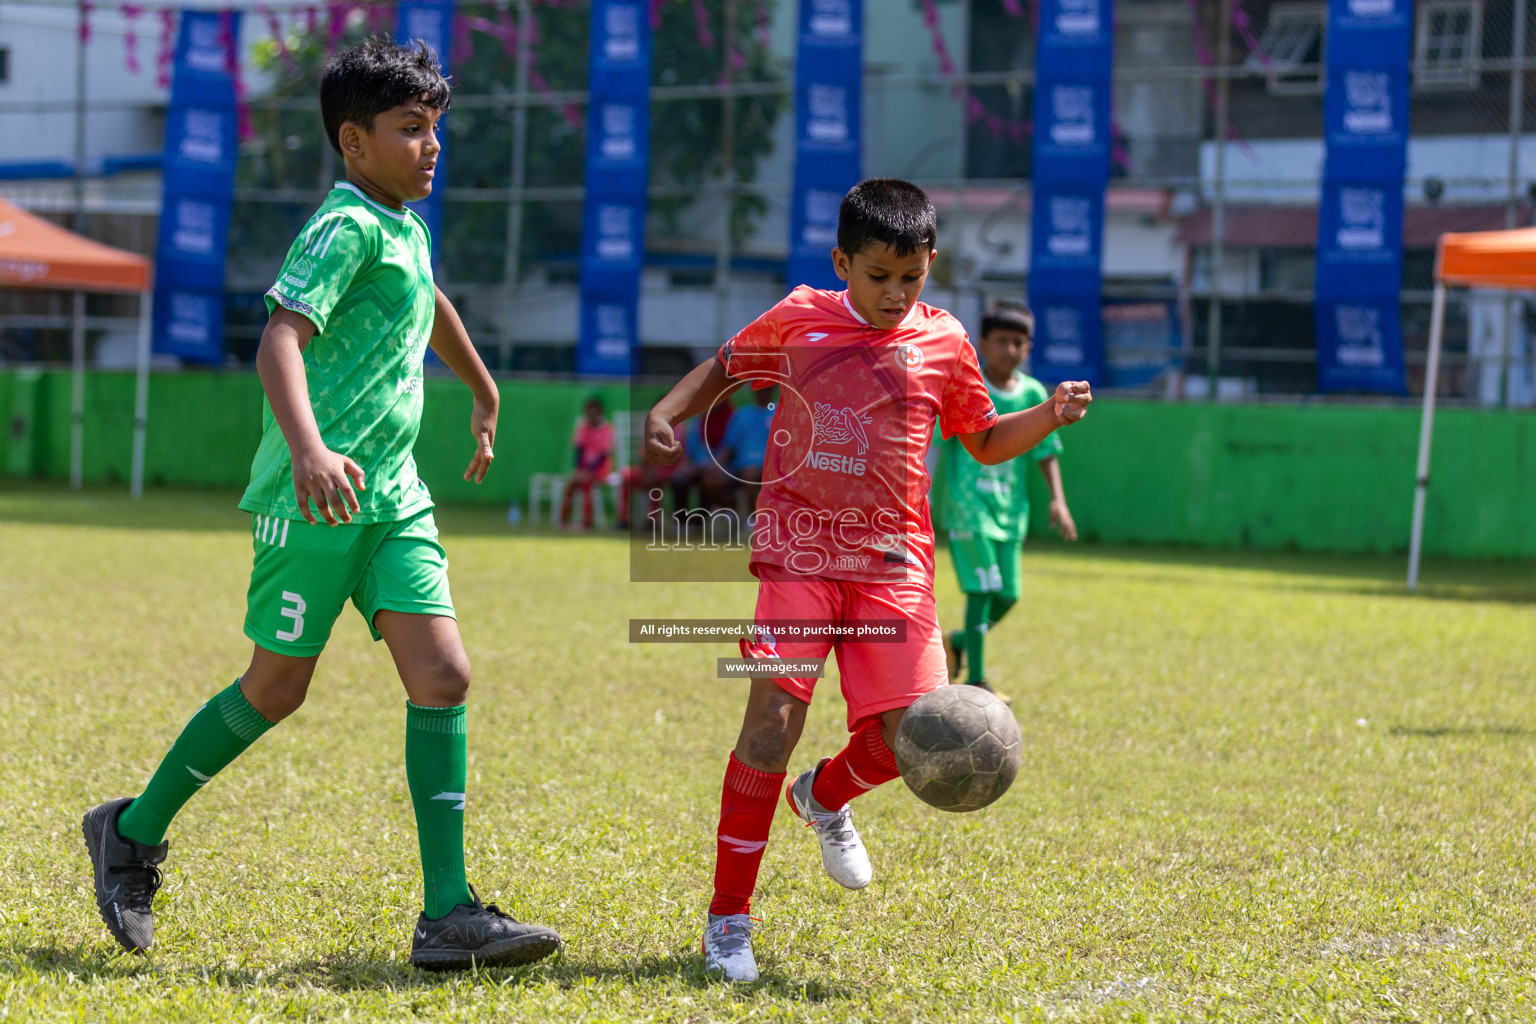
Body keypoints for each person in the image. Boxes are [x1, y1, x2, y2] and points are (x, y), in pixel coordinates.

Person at [80, 37, 561, 971]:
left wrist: (482, 386)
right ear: (354, 142)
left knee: (444, 676)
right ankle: (130, 832)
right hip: (313, 502)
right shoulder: (342, 224)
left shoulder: (406, 228)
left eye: (436, 130)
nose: (431, 147)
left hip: (394, 503)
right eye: (410, 130)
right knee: (276, 688)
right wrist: (308, 448)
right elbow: (279, 340)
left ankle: (447, 914)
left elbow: (431, 301)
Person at [642, 178, 1092, 982]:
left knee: (903, 740)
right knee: (769, 725)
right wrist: (669, 412)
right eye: (878, 275)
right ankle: (727, 921)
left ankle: (823, 795)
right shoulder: (800, 318)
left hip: (895, 569)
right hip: (799, 555)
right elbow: (726, 365)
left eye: (911, 277)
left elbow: (983, 441)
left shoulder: (947, 342)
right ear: (842, 261)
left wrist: (1048, 416)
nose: (894, 292)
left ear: (931, 265)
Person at [940, 301, 1078, 706]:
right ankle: (978, 681)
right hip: (970, 507)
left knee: (1009, 593)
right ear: (983, 343)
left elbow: (1046, 450)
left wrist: (1058, 500)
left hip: (1011, 512)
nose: (1010, 350)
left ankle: (958, 642)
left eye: (1018, 342)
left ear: (1029, 347)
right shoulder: (967, 387)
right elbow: (938, 442)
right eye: (1001, 341)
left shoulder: (1035, 393)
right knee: (982, 591)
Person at [560, 395, 615, 531]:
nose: (591, 414)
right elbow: (579, 450)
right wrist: (578, 470)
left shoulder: (607, 429)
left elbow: (603, 455)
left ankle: (587, 521)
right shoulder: (583, 427)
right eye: (588, 411)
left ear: (600, 412)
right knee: (571, 483)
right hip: (584, 469)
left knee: (586, 482)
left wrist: (589, 471)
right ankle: (564, 520)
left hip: (600, 469)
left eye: (594, 410)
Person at [717, 384, 776, 510]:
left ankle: (752, 516)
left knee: (750, 474)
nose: (763, 393)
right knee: (712, 479)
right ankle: (730, 511)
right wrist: (717, 465)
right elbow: (729, 445)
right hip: (740, 465)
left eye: (766, 389)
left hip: (770, 467)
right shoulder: (742, 414)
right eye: (760, 389)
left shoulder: (780, 412)